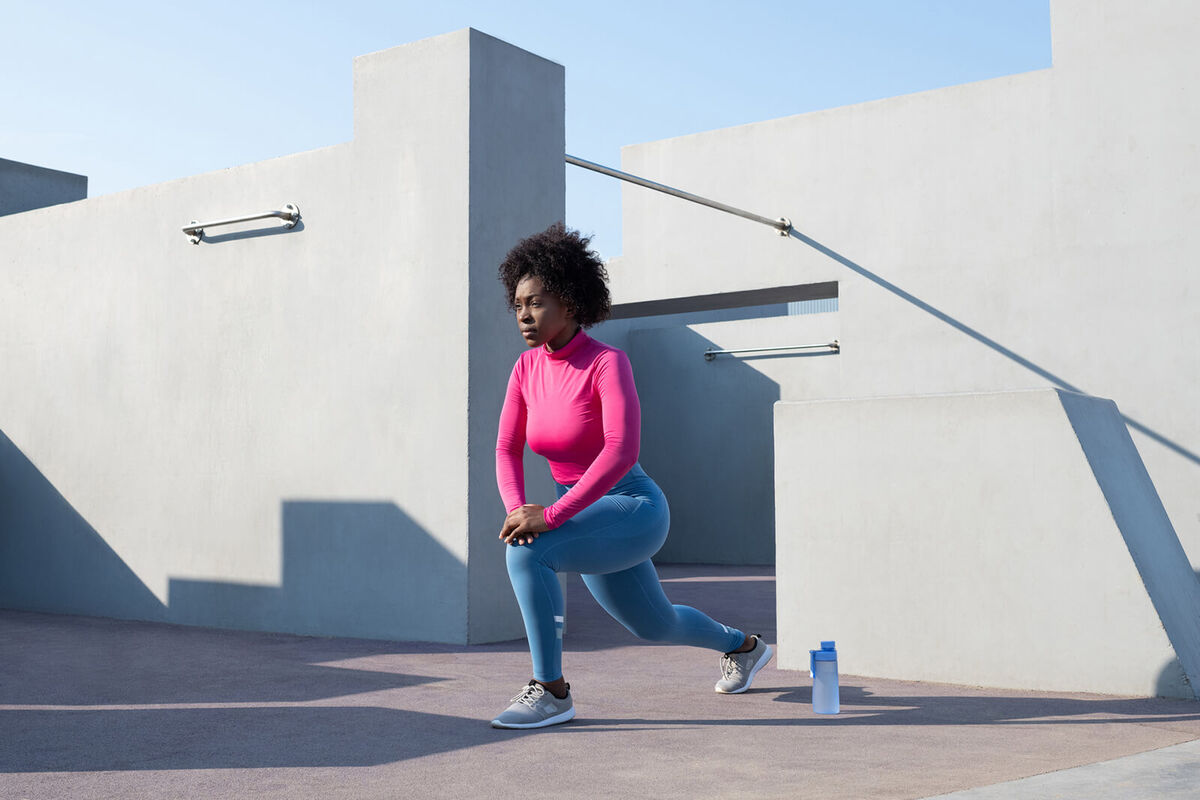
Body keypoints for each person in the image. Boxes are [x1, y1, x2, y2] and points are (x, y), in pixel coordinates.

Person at [490, 223, 773, 729]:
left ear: (571, 303)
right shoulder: (525, 369)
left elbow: (621, 450)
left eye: (535, 302)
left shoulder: (606, 363)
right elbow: (507, 448)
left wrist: (551, 515)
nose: (523, 316)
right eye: (517, 305)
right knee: (653, 623)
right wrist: (518, 508)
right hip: (581, 511)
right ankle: (744, 647)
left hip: (631, 508)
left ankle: (552, 692)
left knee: (528, 552)